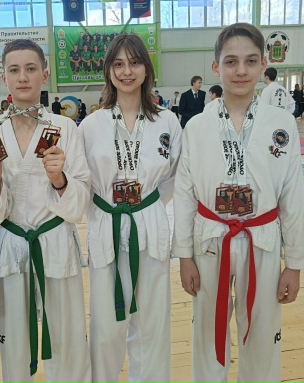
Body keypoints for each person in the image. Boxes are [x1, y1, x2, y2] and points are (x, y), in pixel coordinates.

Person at [172, 23, 304, 383]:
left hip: (262, 238)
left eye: (250, 61)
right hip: (210, 238)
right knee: (208, 331)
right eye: (231, 61)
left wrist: (295, 264)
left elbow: (292, 196)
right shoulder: (196, 127)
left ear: (264, 64)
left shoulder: (282, 124)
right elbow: (184, 195)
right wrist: (184, 256)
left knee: (262, 331)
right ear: (216, 67)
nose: (241, 70)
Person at [0, 39, 91, 383]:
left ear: (44, 74)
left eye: (30, 68)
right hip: (11, 245)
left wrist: (59, 179)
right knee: (13, 346)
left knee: (68, 340)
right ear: (4, 78)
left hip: (55, 240)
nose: (22, 77)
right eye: (14, 70)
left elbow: (81, 200)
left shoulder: (66, 128)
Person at [79, 34, 182, 383]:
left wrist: (145, 205)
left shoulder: (167, 121)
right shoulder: (90, 126)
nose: (127, 71)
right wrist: (113, 205)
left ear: (146, 69)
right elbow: (83, 181)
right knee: (106, 325)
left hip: (149, 224)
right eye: (119, 64)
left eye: (134, 63)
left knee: (152, 324)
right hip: (106, 225)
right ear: (108, 70)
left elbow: (175, 176)